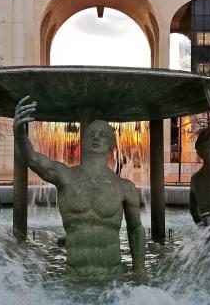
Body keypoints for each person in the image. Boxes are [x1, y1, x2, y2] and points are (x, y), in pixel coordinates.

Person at [13, 96, 145, 276]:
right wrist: (19, 134)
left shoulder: (125, 187)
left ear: (112, 143)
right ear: (83, 140)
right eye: (91, 133)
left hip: (112, 278)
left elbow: (136, 228)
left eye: (102, 134)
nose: (96, 137)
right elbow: (32, 158)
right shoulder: (66, 177)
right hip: (73, 278)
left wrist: (140, 269)